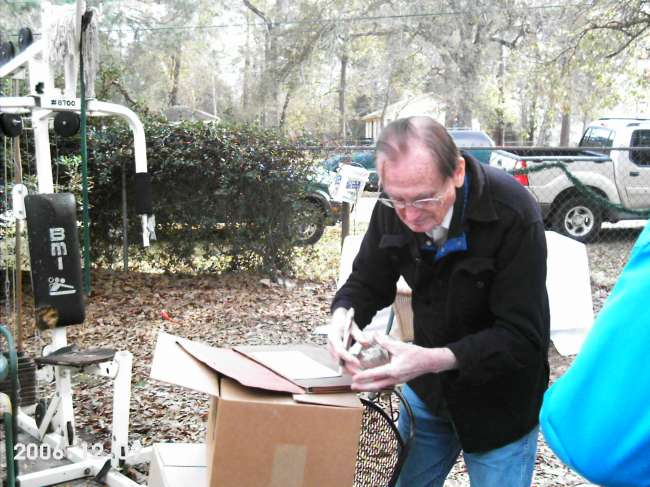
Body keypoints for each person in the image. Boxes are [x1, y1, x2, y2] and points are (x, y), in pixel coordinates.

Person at [328, 116, 550, 487]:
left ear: (457, 172)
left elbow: (522, 337)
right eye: (398, 199)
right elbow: (367, 280)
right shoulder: (394, 204)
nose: (410, 215)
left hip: (500, 402)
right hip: (428, 393)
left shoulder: (513, 213)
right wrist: (342, 317)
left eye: (424, 199)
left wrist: (430, 359)